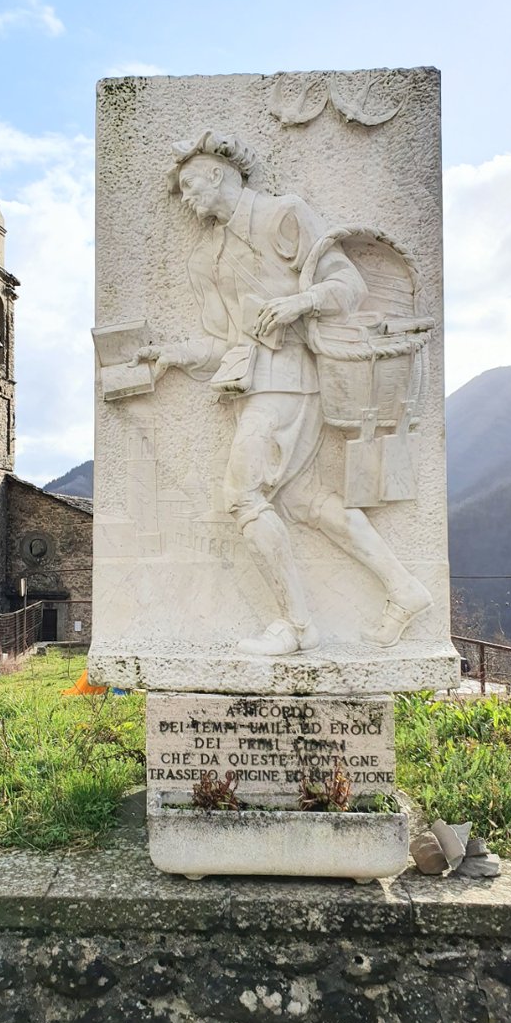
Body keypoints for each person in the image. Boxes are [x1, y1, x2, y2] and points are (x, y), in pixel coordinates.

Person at [134, 131, 431, 656]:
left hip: (295, 379)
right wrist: (172, 356)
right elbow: (223, 343)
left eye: (189, 185)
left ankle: (296, 626)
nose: (186, 198)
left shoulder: (284, 217)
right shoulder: (208, 258)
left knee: (245, 496)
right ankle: (404, 589)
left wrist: (302, 302)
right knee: (306, 502)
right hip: (258, 383)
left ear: (220, 174)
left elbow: (350, 286)